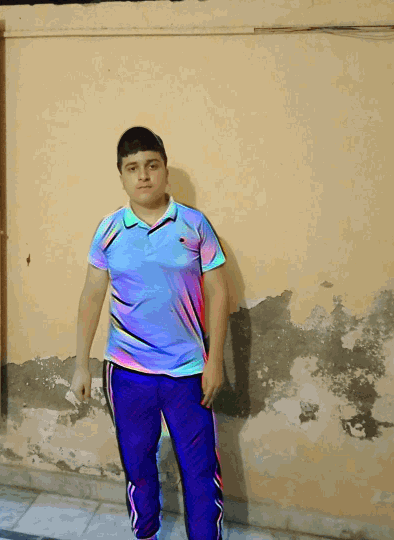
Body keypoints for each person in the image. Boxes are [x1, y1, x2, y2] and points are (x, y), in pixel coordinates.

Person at [71, 126, 229, 540]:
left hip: (188, 372)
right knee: (138, 466)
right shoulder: (109, 230)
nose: (143, 175)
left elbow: (218, 291)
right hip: (127, 373)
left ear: (165, 171)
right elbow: (91, 297)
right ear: (122, 176)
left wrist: (215, 361)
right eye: (132, 168)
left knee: (200, 470)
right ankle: (146, 534)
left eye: (151, 165)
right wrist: (81, 365)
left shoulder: (194, 225)